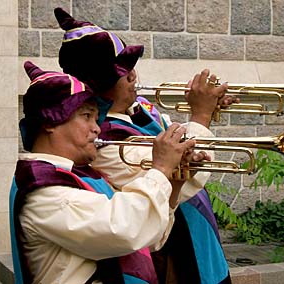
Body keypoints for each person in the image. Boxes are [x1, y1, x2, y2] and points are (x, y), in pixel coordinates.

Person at [54, 7, 234, 284]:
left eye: (131, 67)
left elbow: (178, 138)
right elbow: (182, 179)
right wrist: (201, 115)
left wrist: (207, 106)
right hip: (172, 251)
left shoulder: (139, 110)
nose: (133, 76)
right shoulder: (100, 140)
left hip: (197, 231)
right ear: (99, 83)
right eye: (122, 71)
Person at [9, 61, 201, 284]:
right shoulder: (43, 190)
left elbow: (144, 240)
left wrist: (174, 183)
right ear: (50, 121)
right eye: (86, 116)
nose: (97, 128)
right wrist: (160, 169)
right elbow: (122, 229)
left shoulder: (80, 175)